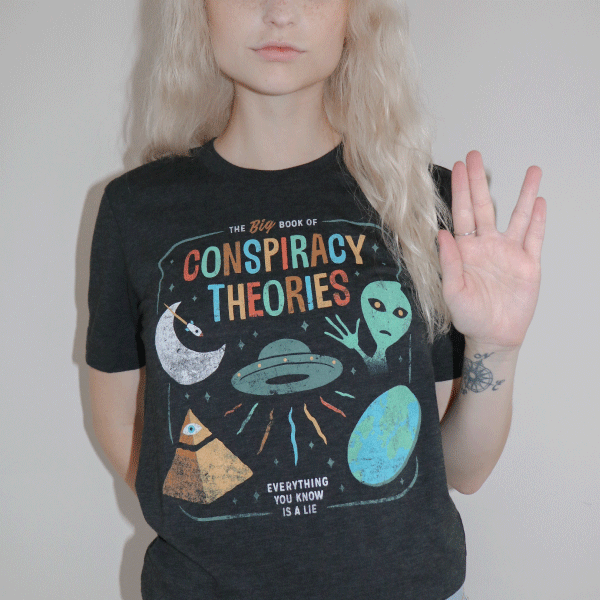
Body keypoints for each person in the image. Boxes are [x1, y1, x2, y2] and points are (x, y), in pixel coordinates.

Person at [86, 1, 546, 599]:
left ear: (355, 14)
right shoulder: (136, 209)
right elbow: (121, 424)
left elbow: (461, 469)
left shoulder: (420, 204)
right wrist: (211, 517)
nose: (279, 12)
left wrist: (496, 347)